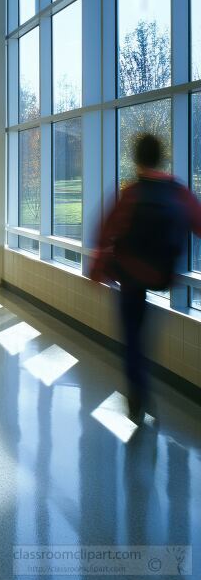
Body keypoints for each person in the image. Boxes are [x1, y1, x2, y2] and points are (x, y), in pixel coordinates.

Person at [91, 133, 201, 422]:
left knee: (132, 339)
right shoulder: (178, 192)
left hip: (130, 276)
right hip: (163, 275)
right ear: (161, 157)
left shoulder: (131, 193)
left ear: (137, 160)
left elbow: (104, 231)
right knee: (145, 336)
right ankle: (142, 384)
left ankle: (137, 395)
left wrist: (97, 270)